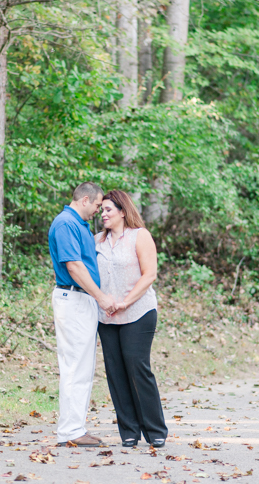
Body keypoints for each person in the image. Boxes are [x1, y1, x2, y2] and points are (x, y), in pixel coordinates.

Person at [95, 189, 168, 448]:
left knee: (137, 368)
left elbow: (149, 274)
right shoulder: (97, 242)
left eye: (108, 210)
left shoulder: (140, 236)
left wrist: (125, 302)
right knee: (115, 372)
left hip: (138, 312)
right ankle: (128, 430)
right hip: (107, 317)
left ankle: (155, 429)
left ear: (122, 212)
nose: (102, 214)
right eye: (101, 210)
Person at [48, 182, 116, 447]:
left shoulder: (78, 225)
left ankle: (74, 428)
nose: (99, 211)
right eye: (98, 205)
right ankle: (71, 431)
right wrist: (101, 297)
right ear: (85, 199)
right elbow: (74, 266)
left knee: (82, 367)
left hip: (81, 299)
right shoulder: (66, 223)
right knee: (76, 366)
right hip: (74, 297)